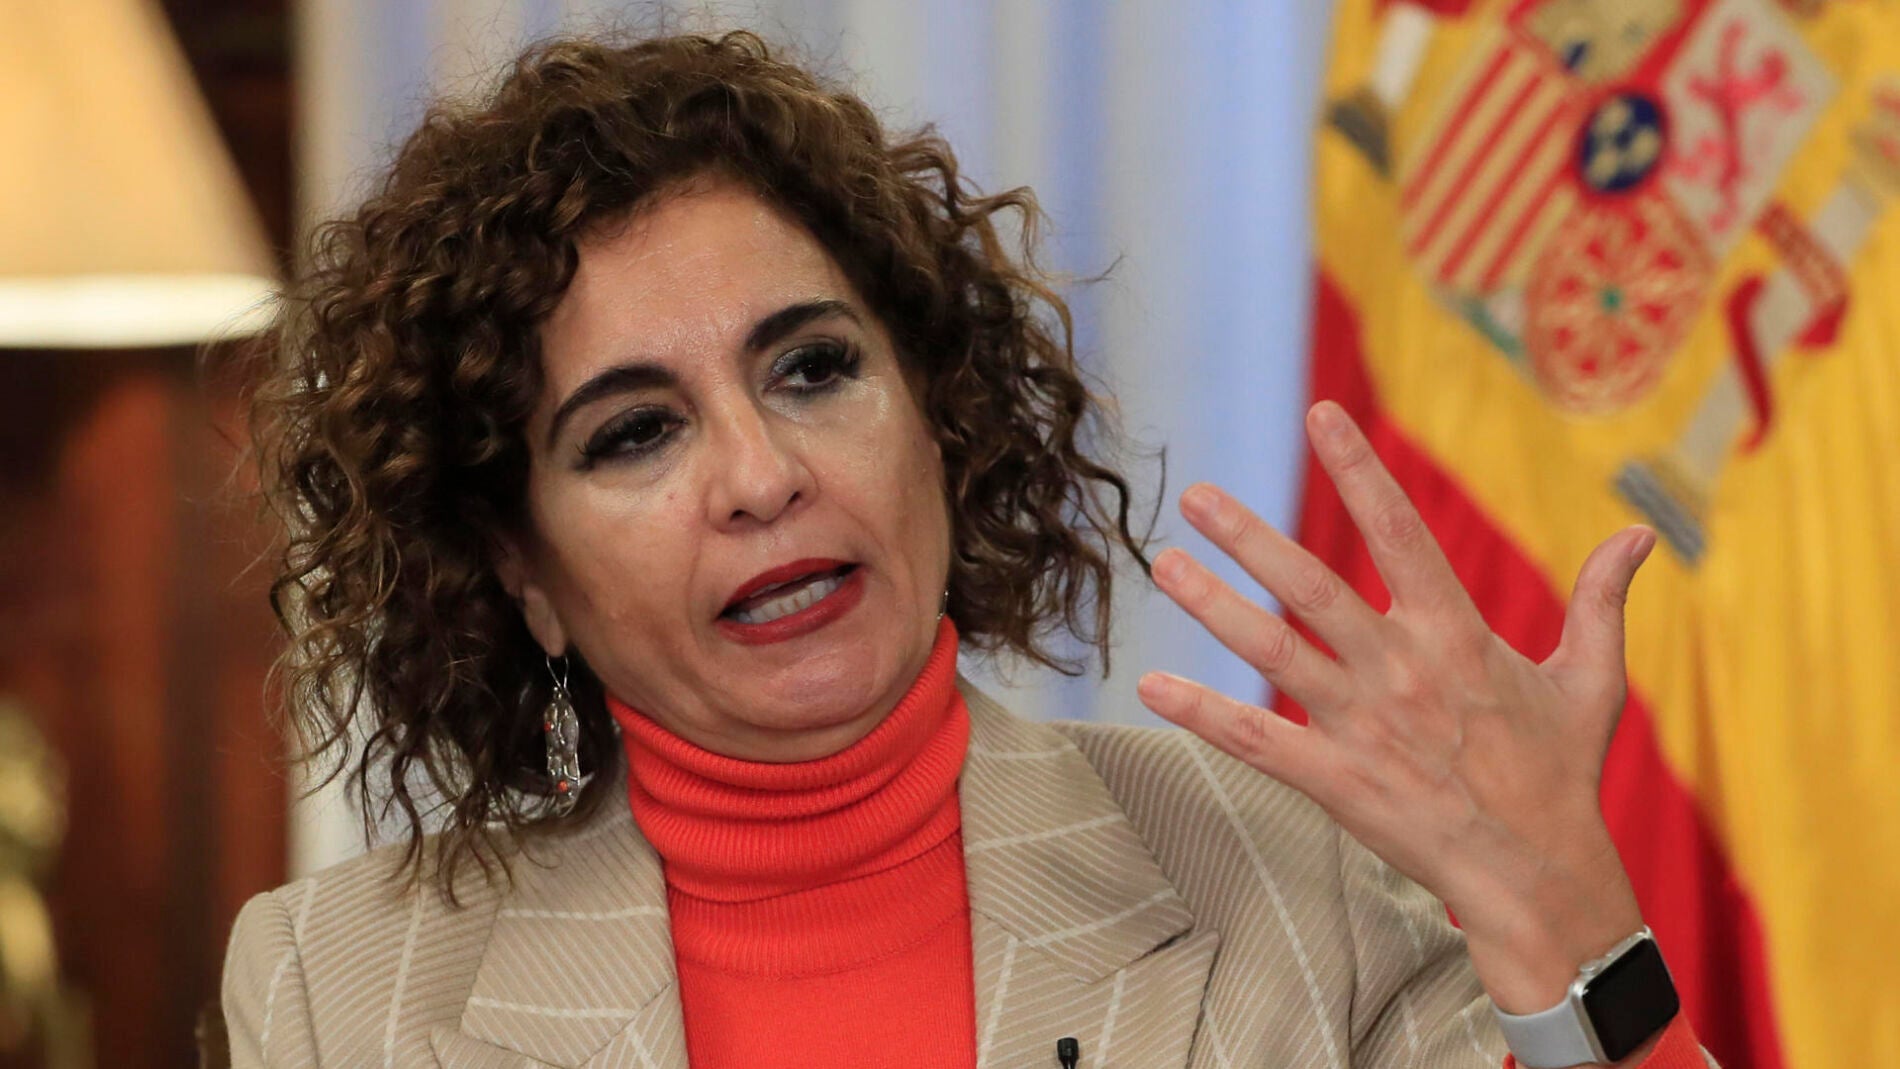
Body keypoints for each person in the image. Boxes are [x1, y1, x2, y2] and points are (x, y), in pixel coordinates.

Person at [221, 29, 1712, 1069]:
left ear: (937, 412)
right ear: (522, 573)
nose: (762, 476)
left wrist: (1565, 911)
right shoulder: (339, 990)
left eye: (812, 368)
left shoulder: (1279, 879)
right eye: (634, 434)